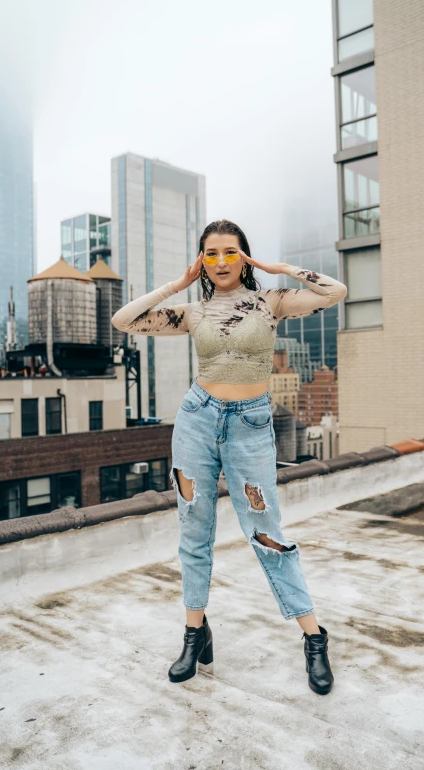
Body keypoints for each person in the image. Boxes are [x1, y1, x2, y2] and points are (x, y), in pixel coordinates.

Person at [111, 219, 347, 695]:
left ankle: (314, 637)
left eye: (230, 252)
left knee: (265, 532)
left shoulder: (271, 302)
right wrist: (178, 284)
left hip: (251, 426)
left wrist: (278, 268)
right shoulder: (194, 312)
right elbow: (124, 320)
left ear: (244, 256)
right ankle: (195, 634)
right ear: (202, 260)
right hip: (197, 420)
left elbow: (334, 291)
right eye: (211, 254)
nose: (221, 262)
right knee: (194, 528)